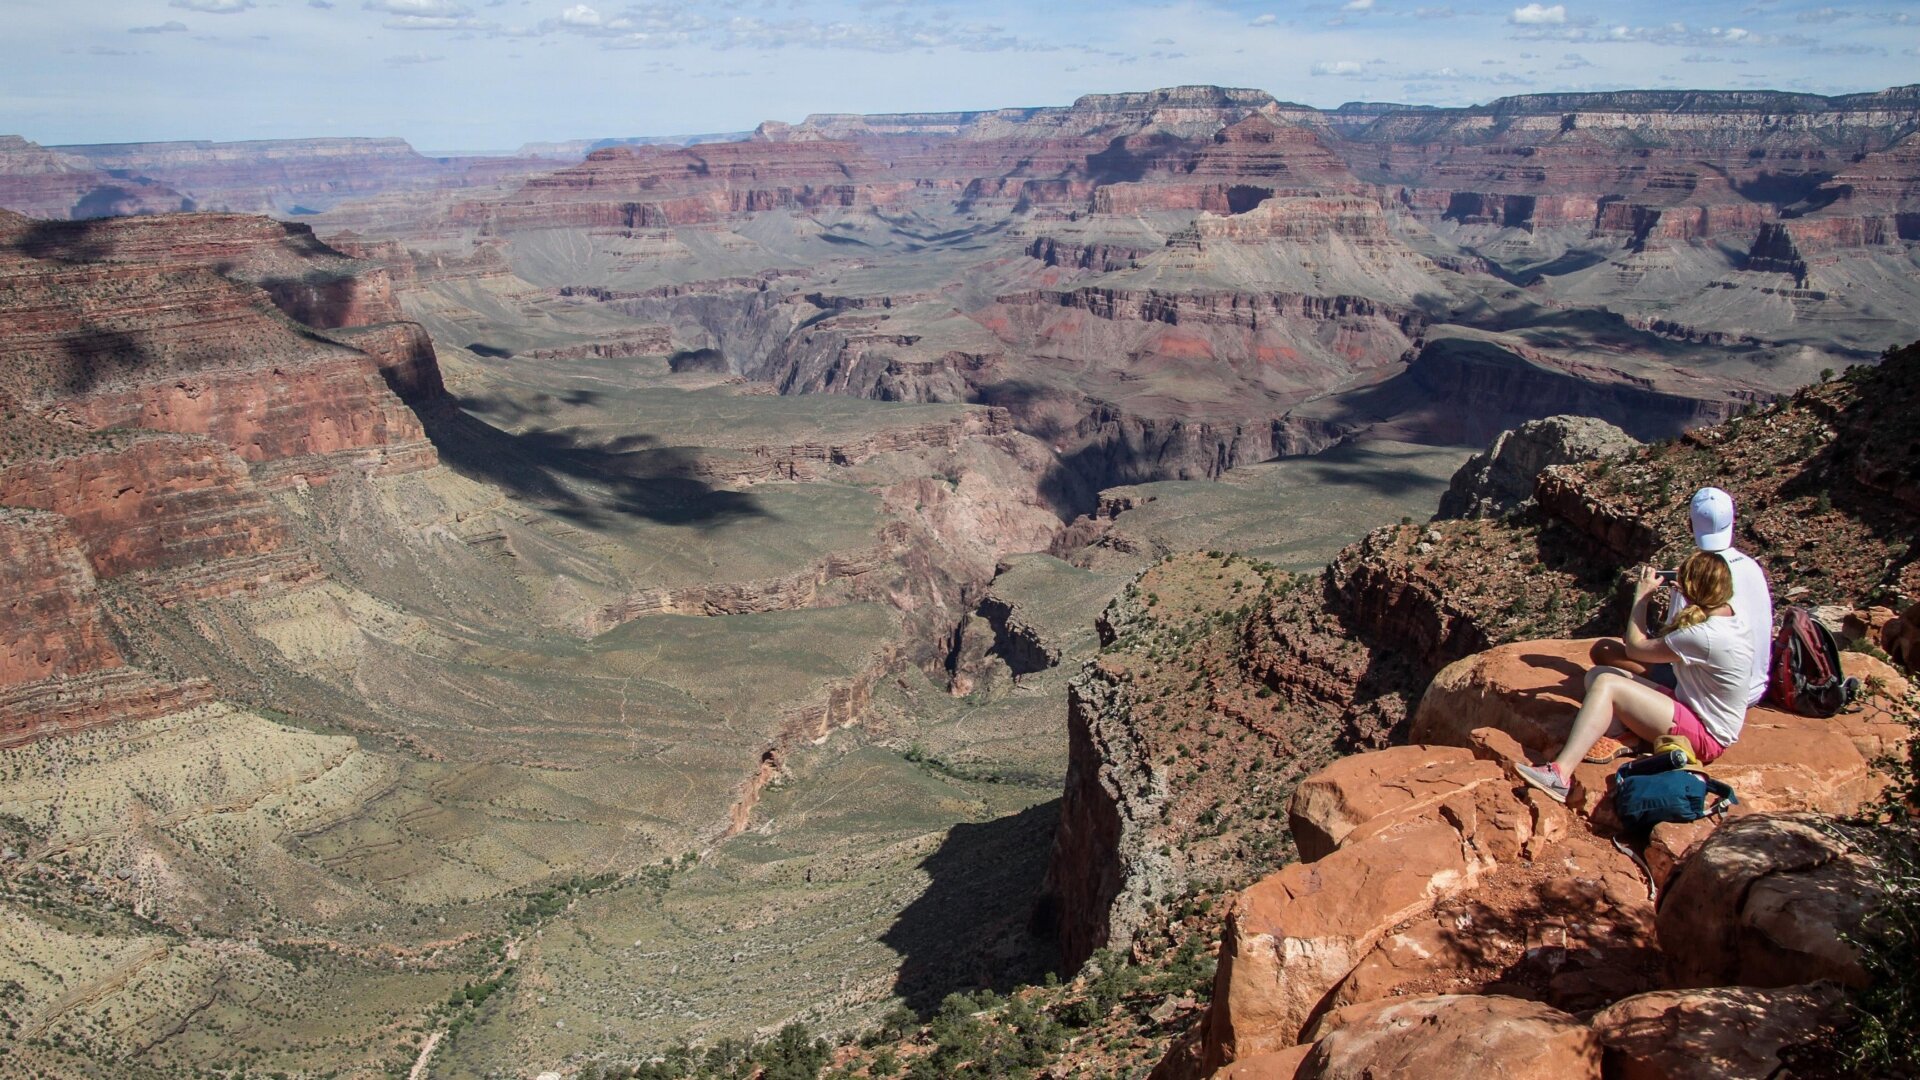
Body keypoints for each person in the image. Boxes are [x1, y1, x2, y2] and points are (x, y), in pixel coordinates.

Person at [1517, 550, 1754, 804]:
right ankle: (1628, 734)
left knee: (1607, 685)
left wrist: (1642, 596)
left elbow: (1634, 648)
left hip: (1704, 735)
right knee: (1599, 675)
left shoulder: (1705, 635)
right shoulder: (1730, 613)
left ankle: (1560, 775)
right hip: (1690, 708)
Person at [1589, 486, 1774, 705]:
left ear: (1689, 525)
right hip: (1754, 688)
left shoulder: (1692, 577)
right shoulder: (1752, 567)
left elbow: (1657, 647)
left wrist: (1643, 598)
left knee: (1604, 651)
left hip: (1710, 696)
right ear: (1733, 520)